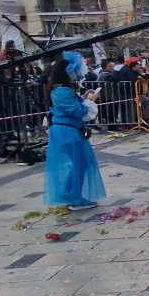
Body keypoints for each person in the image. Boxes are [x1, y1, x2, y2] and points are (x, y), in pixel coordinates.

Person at [44, 51, 105, 211]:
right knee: (80, 164)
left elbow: (73, 105)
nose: (75, 75)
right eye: (72, 73)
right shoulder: (62, 91)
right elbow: (79, 112)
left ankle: (69, 194)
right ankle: (74, 198)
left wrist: (84, 97)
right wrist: (89, 101)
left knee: (80, 164)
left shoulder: (60, 90)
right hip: (67, 132)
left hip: (68, 131)